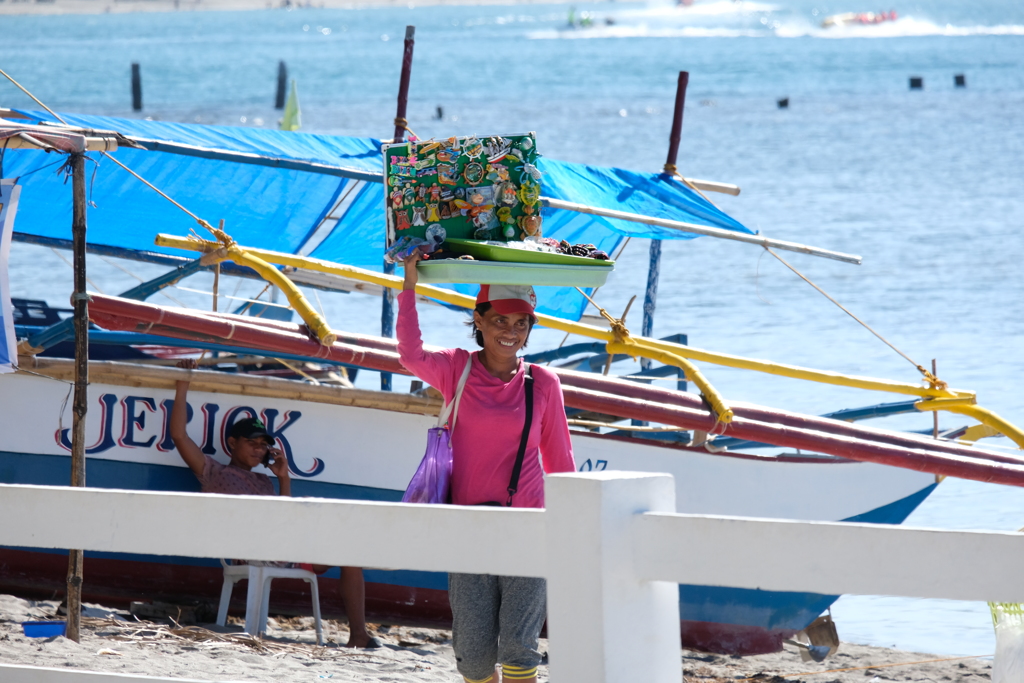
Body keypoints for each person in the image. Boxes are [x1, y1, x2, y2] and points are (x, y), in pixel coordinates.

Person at [398, 252, 575, 683]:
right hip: (468, 525)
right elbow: (409, 353)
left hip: (528, 526)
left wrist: (573, 528)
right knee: (474, 659)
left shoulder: (543, 383)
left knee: (519, 654)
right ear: (478, 321)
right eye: (499, 321)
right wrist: (408, 285)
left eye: (521, 324)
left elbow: (561, 462)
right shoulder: (457, 368)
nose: (510, 332)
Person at [169, 359, 379, 648]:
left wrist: (284, 478)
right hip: (251, 549)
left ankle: (358, 635)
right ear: (233, 442)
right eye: (252, 443)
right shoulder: (214, 471)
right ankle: (358, 632)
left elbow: (285, 519)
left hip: (282, 545)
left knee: (349, 552)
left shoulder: (264, 481)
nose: (259, 449)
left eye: (263, 445)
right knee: (345, 548)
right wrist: (183, 382)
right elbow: (179, 435)